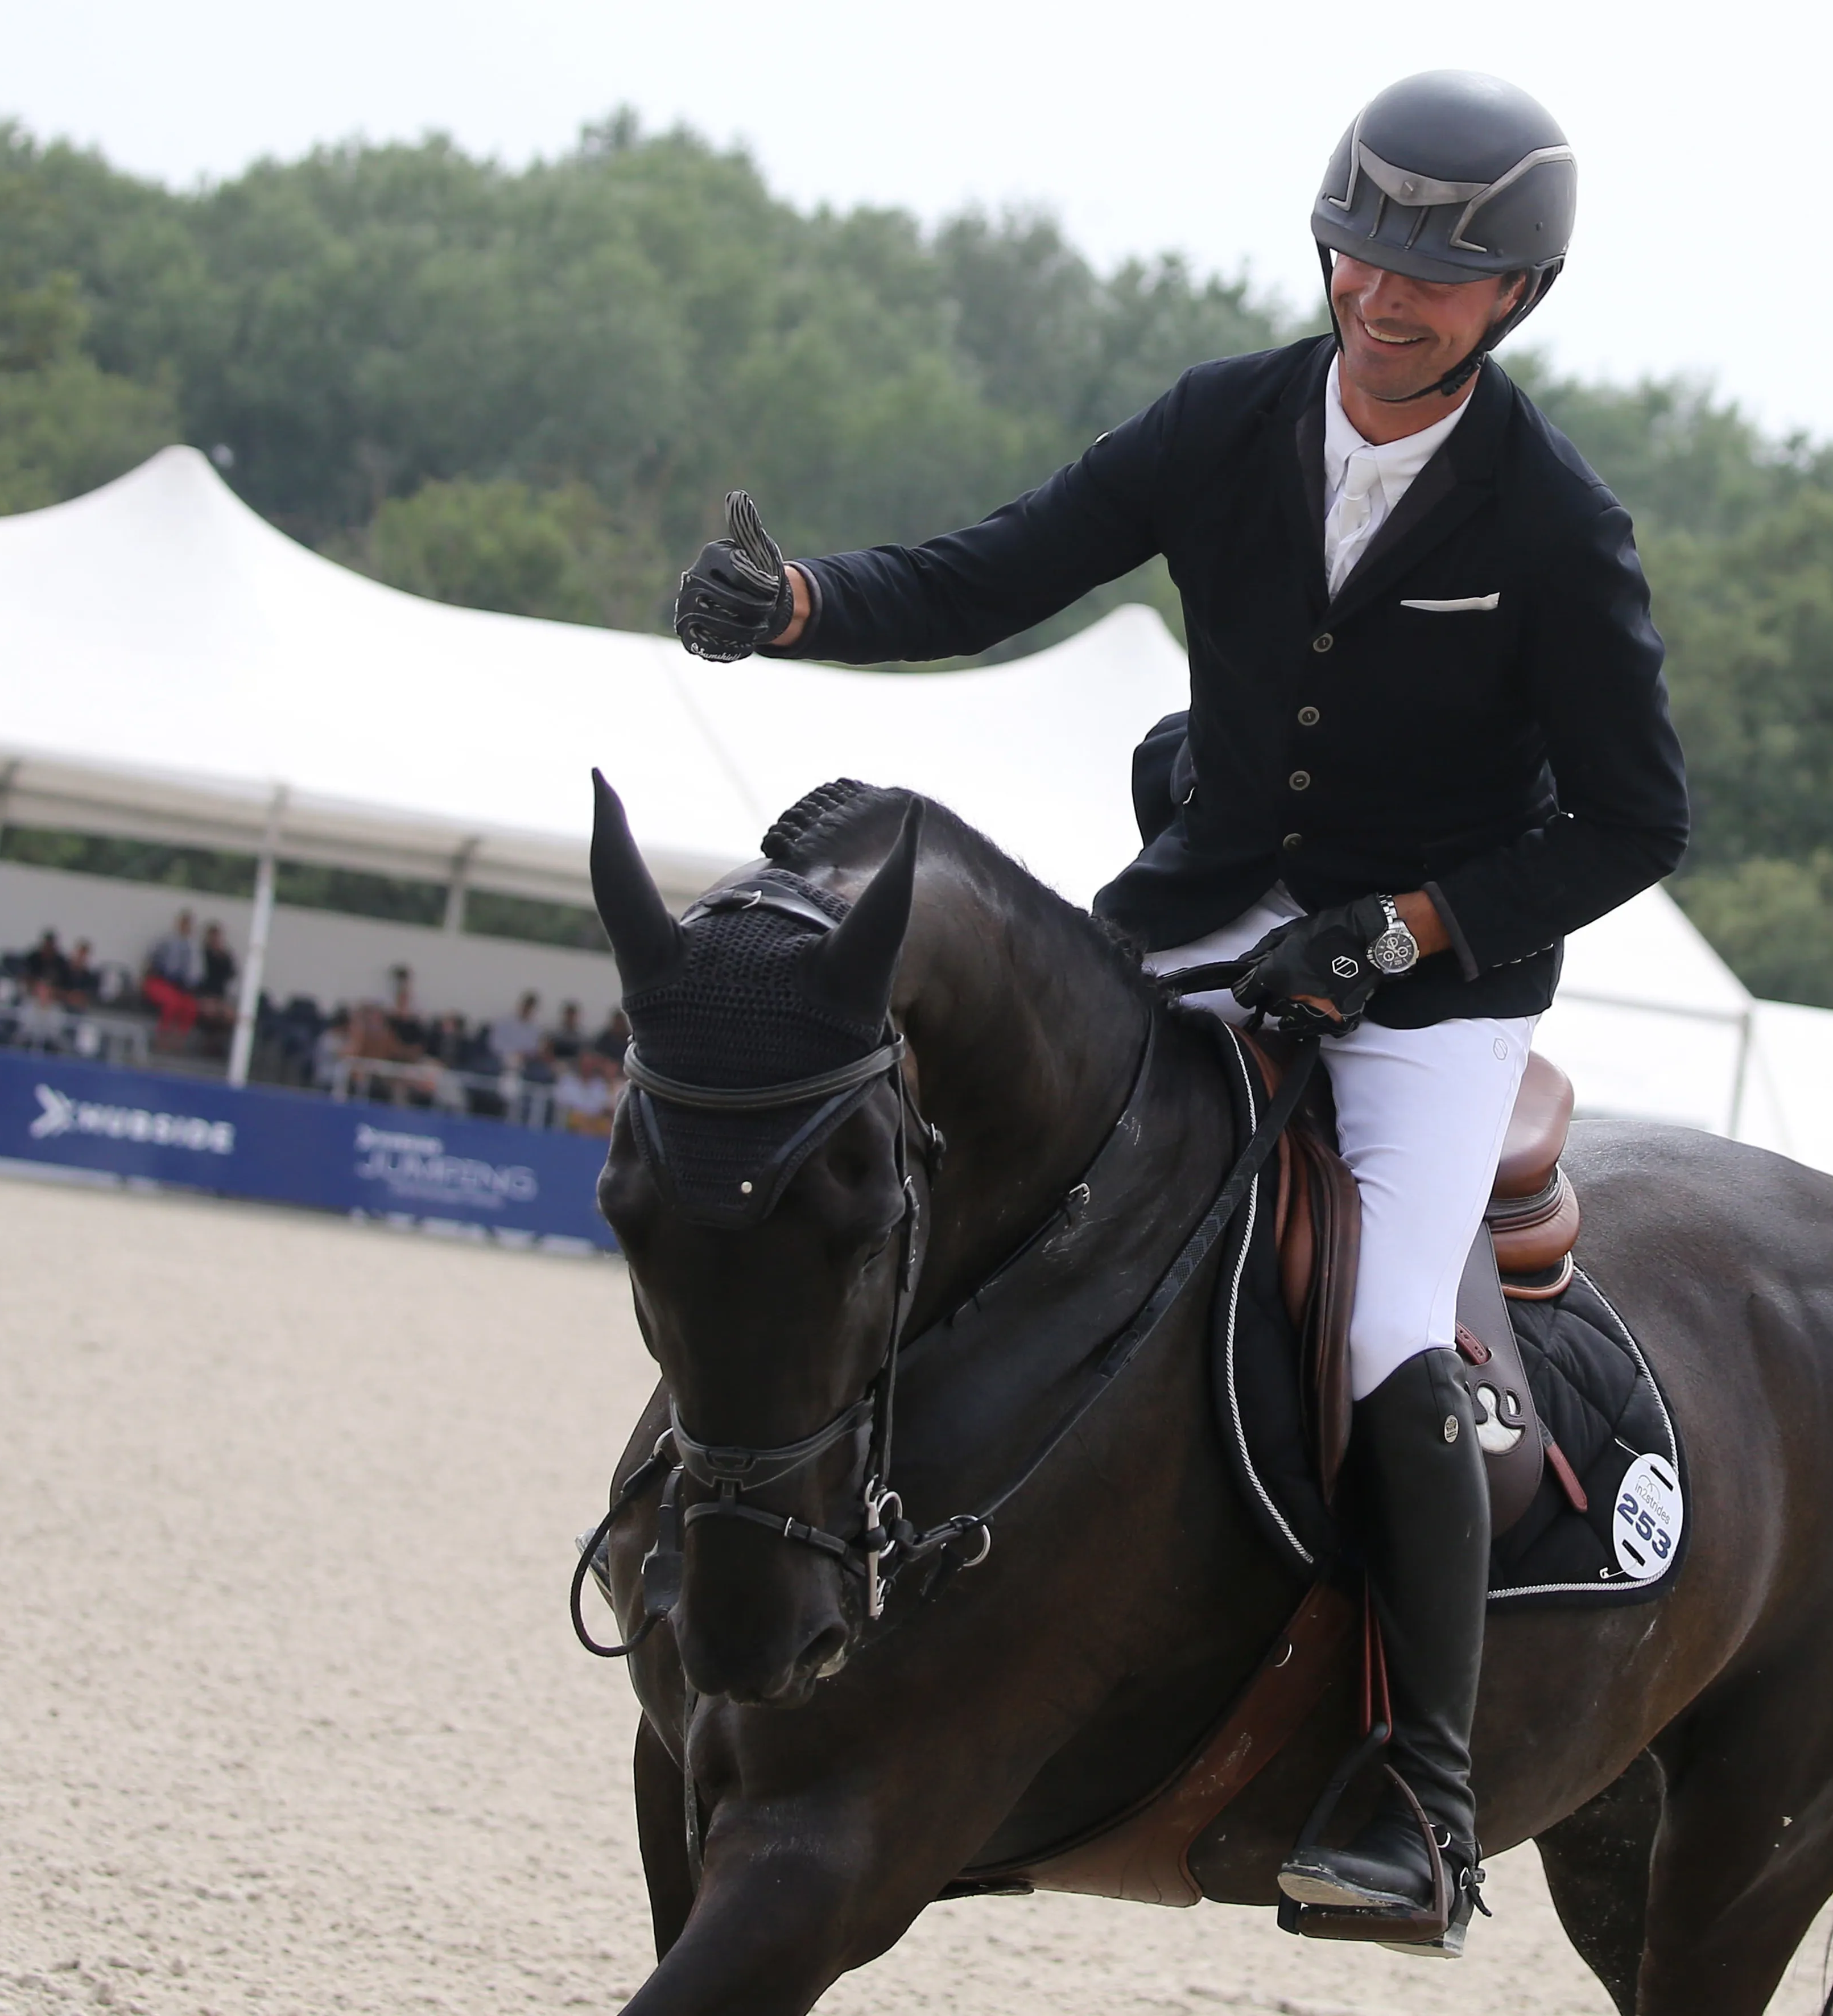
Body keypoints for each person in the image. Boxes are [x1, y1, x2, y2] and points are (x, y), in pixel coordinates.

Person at [670, 73, 1681, 1956]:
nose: (1386, 297)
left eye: (1435, 280)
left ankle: (1420, 1789)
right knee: (961, 1162)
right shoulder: (1225, 420)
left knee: (1387, 1316)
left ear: (1515, 300)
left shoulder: (1552, 523)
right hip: (1200, 909)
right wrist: (801, 599)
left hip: (1432, 984)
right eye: (1364, 254)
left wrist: (1396, 935)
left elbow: (1639, 818)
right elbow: (1000, 564)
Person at [142, 909, 205, 1038]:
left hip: (181, 987)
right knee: (172, 1003)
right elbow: (151, 961)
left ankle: (179, 1040)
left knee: (190, 1008)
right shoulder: (165, 941)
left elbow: (197, 972)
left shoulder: (194, 947)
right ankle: (162, 1036)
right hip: (162, 981)